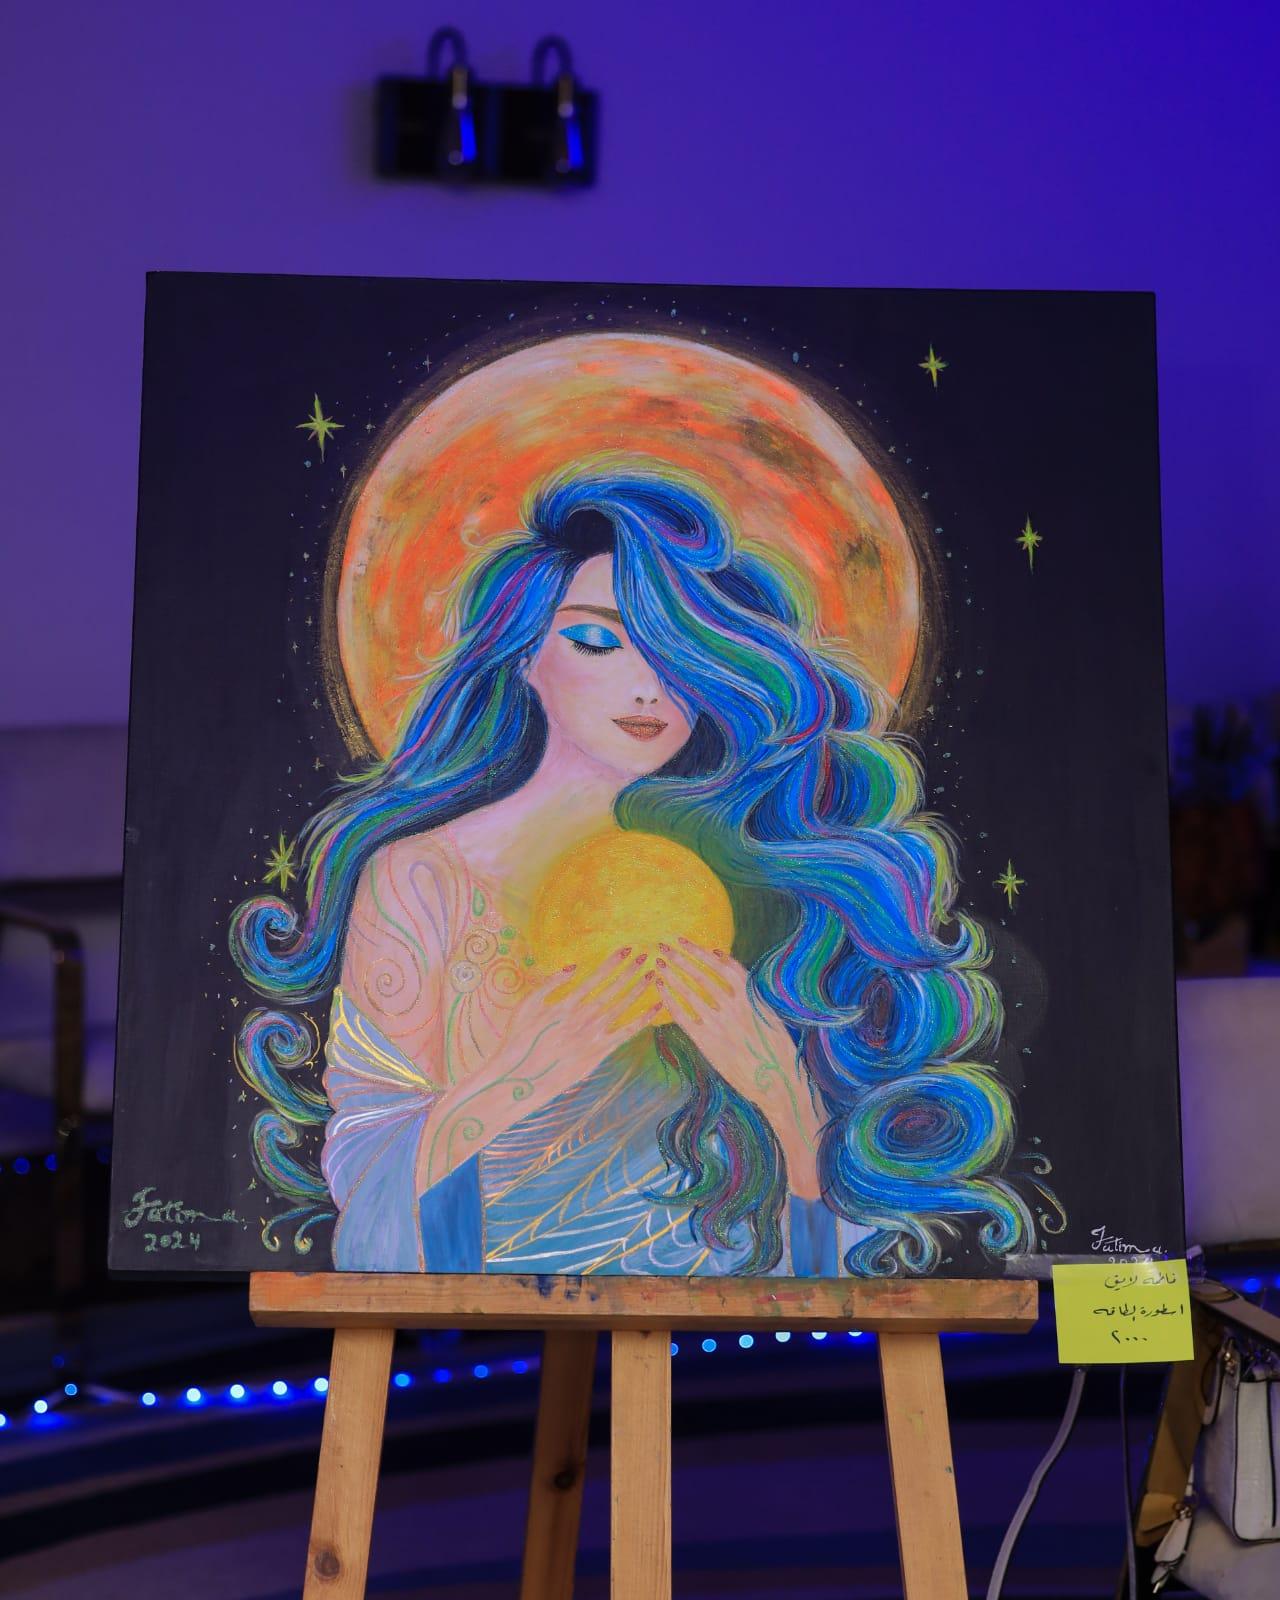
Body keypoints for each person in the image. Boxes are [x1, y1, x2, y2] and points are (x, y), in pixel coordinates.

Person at [232, 462, 1035, 1277]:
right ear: (523, 655)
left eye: (677, 653)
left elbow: (824, 1263)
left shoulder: (764, 879)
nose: (647, 687)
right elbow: (373, 1199)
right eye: (596, 641)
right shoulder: (420, 878)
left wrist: (776, 1085)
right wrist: (521, 1074)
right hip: (487, 1305)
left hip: (723, 1309)